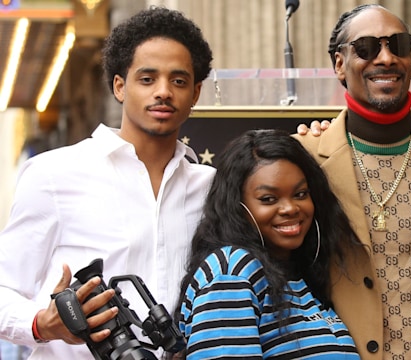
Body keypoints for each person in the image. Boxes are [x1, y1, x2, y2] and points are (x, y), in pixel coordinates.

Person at [0, 7, 214, 359]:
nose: (163, 92)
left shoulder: (212, 187)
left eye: (178, 81)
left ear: (195, 94)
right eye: (147, 79)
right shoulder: (54, 174)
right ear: (119, 86)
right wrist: (42, 323)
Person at [293, 4, 411, 359]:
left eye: (399, 45)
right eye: (366, 48)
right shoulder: (303, 160)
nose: (387, 58)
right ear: (339, 64)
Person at [176, 129, 361, 359]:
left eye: (301, 194)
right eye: (268, 199)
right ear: (237, 207)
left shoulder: (299, 276)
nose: (290, 208)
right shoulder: (232, 272)